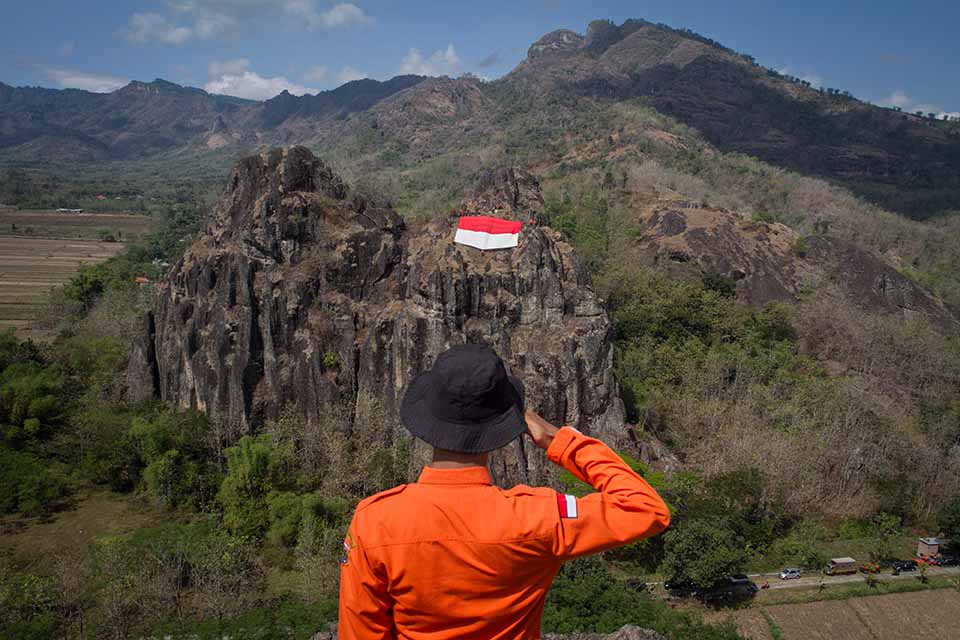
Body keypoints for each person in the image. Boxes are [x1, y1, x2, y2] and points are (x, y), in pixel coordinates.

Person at [338, 344, 671, 639]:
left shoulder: (375, 521)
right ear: (503, 423)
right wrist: (559, 441)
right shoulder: (539, 517)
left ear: (427, 415)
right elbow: (645, 509)